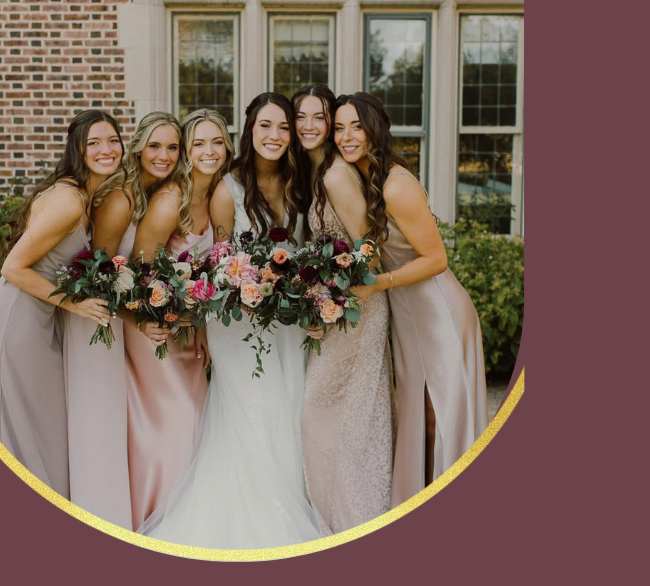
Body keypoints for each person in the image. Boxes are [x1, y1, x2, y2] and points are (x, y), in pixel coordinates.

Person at [141, 94, 321, 551]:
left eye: (283, 127)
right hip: (239, 321)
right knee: (252, 411)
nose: (274, 135)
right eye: (265, 126)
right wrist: (210, 318)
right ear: (249, 130)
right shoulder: (229, 189)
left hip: (287, 319)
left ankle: (290, 496)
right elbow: (221, 263)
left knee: (288, 407)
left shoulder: (299, 182)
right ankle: (264, 519)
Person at [333, 92, 487, 506]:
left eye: (357, 127)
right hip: (408, 314)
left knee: (439, 419)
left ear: (374, 130)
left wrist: (377, 283)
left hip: (438, 313)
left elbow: (436, 259)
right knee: (418, 418)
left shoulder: (396, 185)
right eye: (339, 128)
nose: (347, 136)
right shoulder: (363, 178)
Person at [0, 110, 125, 512]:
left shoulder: (84, 196)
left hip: (37, 320)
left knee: (42, 434)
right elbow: (12, 268)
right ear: (77, 149)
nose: (106, 149)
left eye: (113, 140)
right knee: (24, 434)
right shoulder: (68, 200)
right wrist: (76, 303)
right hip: (16, 321)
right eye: (94, 142)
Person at [93, 111, 202, 529]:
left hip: (155, 320)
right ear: (138, 147)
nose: (164, 155)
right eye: (155, 146)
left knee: (174, 422)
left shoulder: (162, 192)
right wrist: (137, 321)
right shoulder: (121, 199)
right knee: (169, 421)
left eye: (172, 147)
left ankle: (174, 517)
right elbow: (97, 277)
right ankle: (153, 521)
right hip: (128, 324)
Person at [294, 85, 396, 534]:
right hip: (338, 310)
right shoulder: (320, 172)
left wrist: (330, 307)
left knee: (332, 420)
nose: (311, 126)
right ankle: (337, 521)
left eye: (322, 118)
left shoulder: (336, 175)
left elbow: (367, 252)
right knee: (337, 422)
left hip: (357, 312)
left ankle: (352, 522)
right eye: (302, 117)